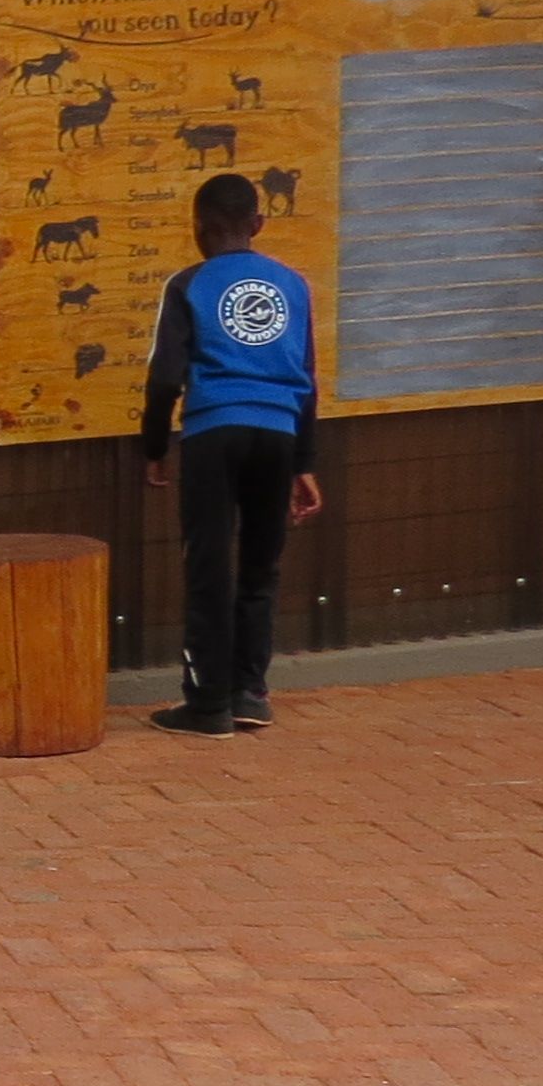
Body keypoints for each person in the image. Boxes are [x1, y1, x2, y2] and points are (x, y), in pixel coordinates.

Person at [141, 170, 324, 738]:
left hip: (212, 432)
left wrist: (154, 448)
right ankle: (251, 693)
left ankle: (207, 704)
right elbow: (307, 378)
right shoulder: (292, 285)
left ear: (198, 229)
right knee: (261, 566)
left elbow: (165, 376)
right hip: (277, 433)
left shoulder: (187, 284)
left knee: (208, 565)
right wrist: (304, 462)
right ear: (258, 225)